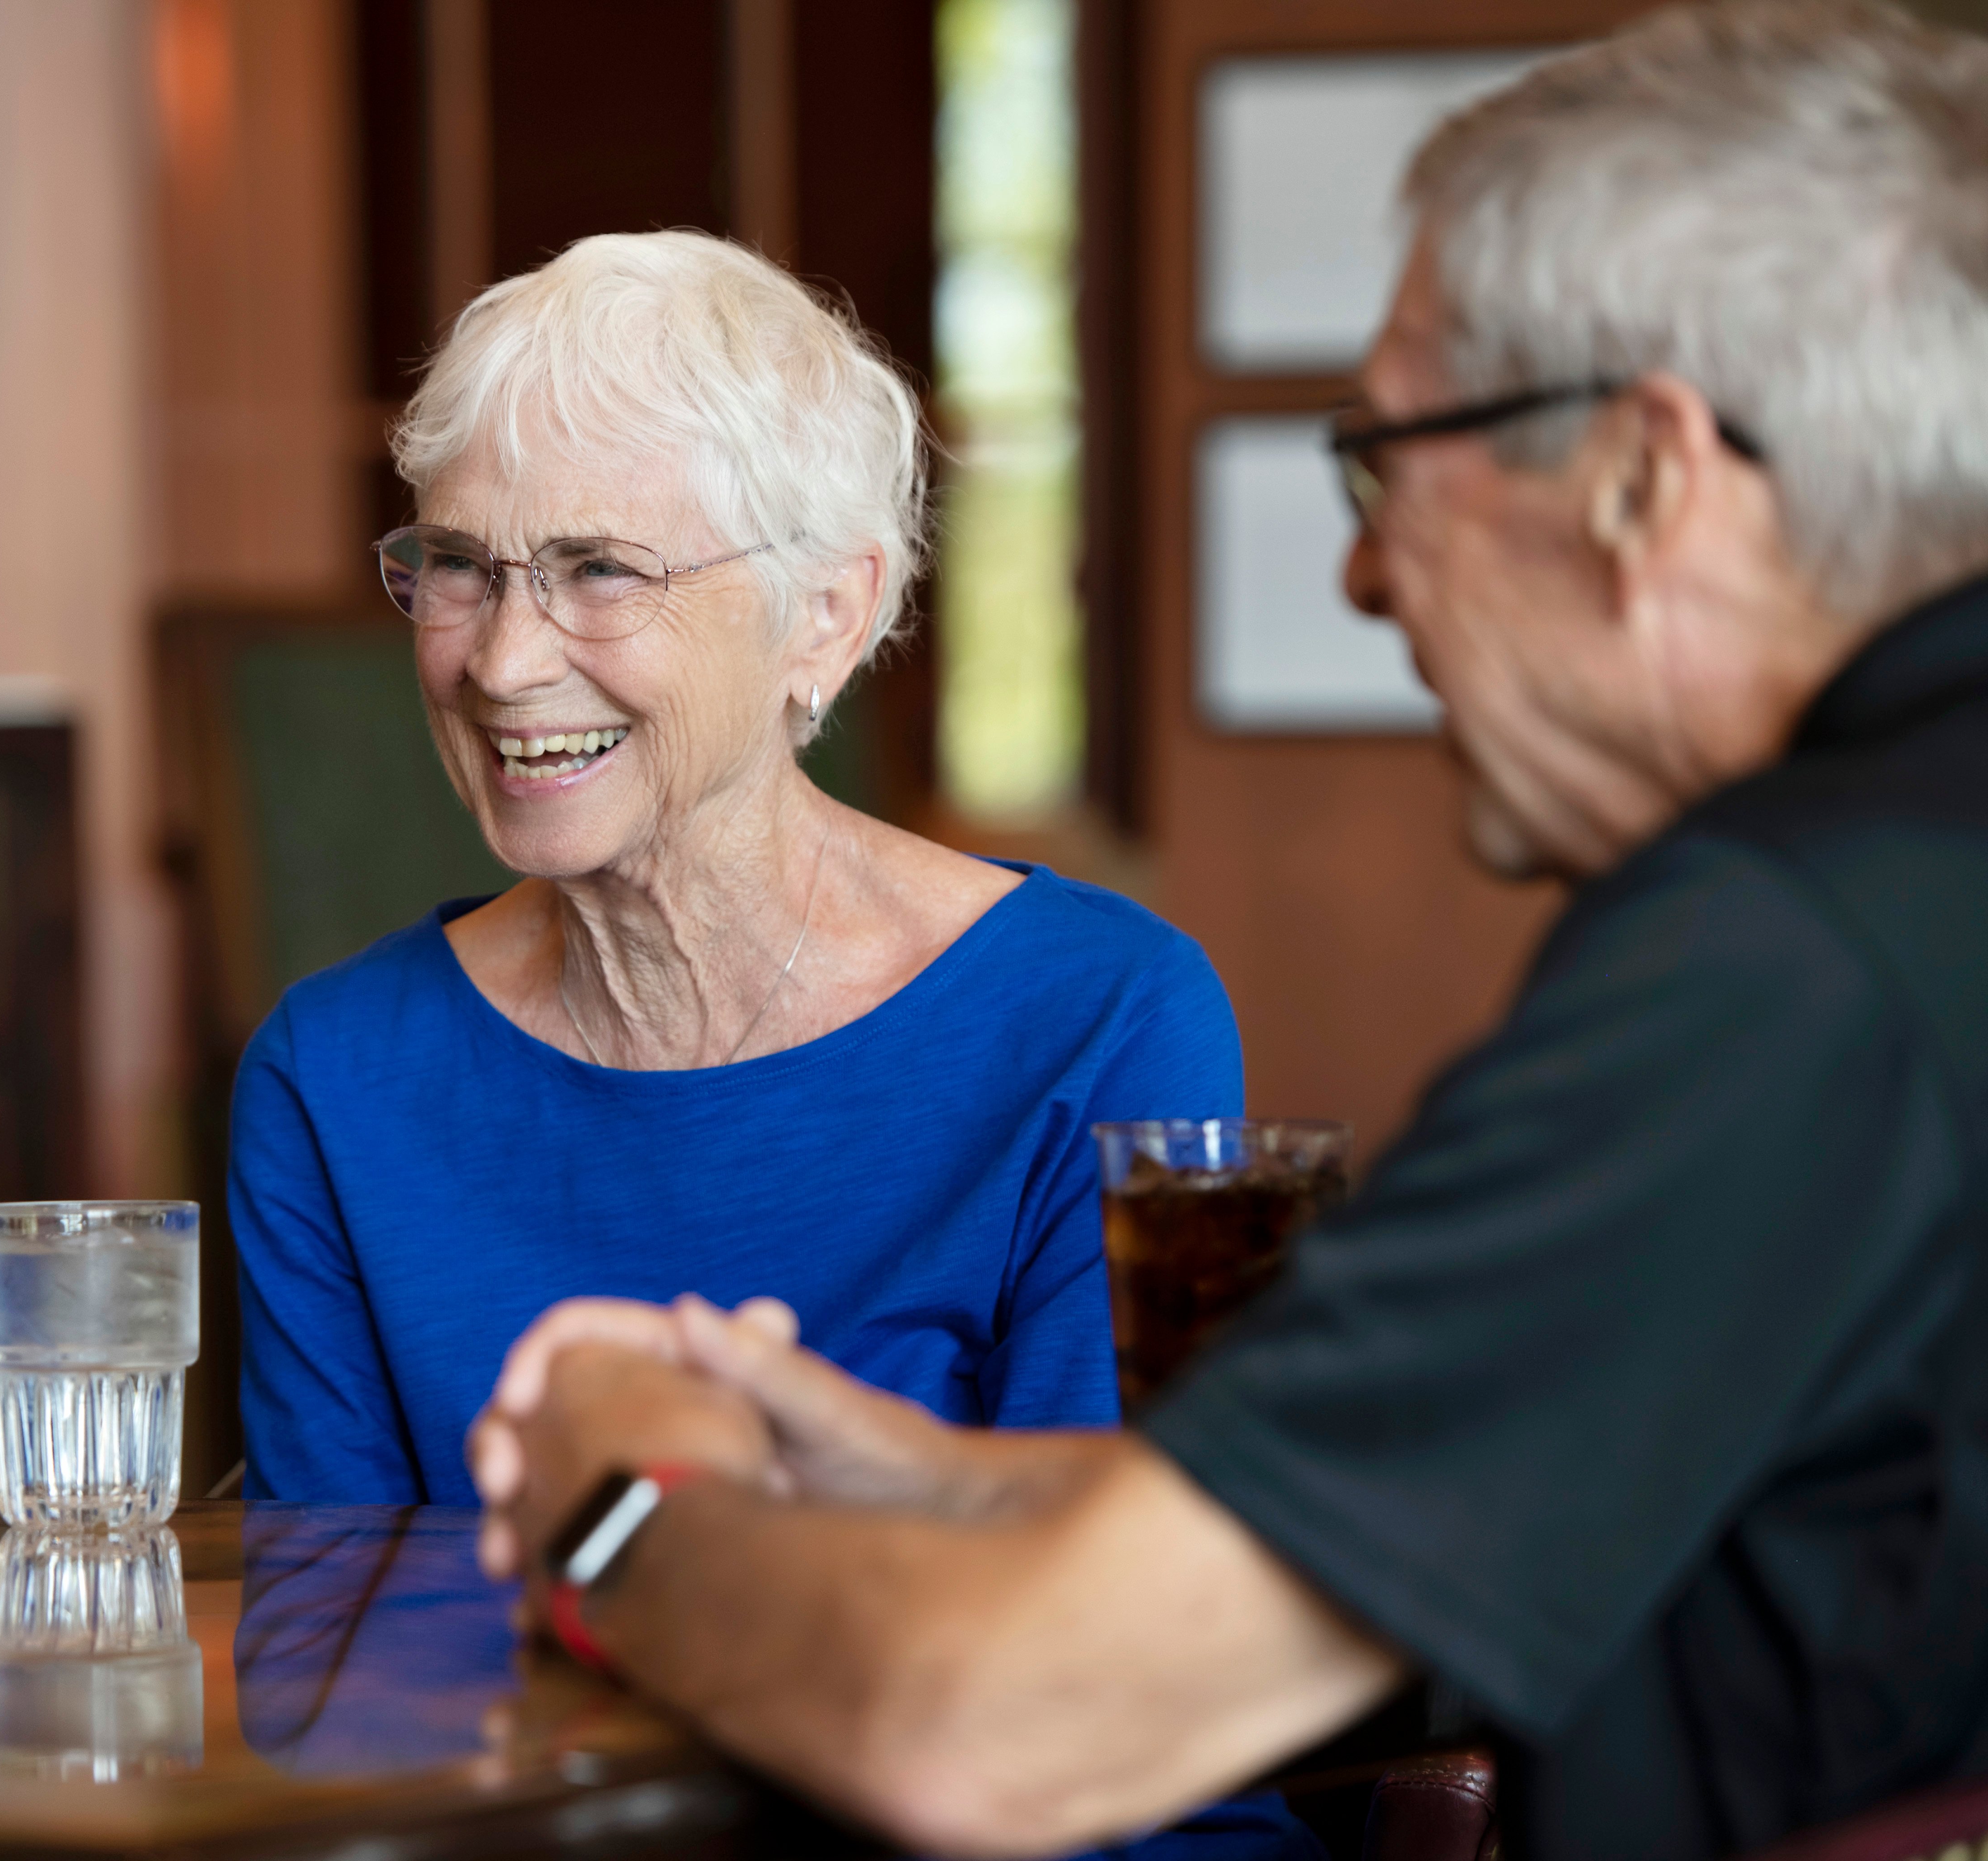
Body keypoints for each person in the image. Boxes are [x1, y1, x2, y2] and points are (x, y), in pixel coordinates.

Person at [464, 6, 1988, 1859]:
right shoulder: (1911, 896)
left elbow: (992, 1732)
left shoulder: (1775, 970)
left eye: (1388, 458)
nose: (1359, 571)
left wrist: (624, 1506)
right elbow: (1460, 1528)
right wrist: (931, 1480)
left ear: (1643, 479)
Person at [228, 232, 1242, 1507]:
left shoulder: (1102, 1021)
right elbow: (336, 1640)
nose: (501, 662)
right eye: (462, 569)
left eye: (598, 569)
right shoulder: (332, 1077)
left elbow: (1121, 1591)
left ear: (826, 612)